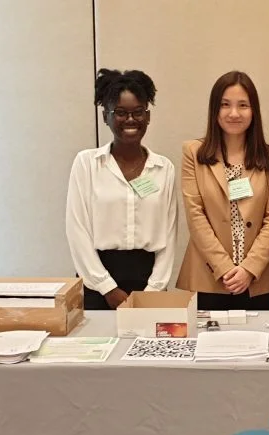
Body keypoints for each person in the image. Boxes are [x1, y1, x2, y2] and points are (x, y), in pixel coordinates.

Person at [66, 68, 177, 310]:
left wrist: (153, 291)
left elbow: (168, 235)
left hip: (149, 282)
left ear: (147, 117)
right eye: (120, 112)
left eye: (138, 112)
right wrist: (107, 287)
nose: (130, 120)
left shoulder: (163, 168)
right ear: (105, 116)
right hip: (97, 282)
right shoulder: (87, 164)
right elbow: (78, 232)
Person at [176, 71, 269, 310]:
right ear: (214, 109)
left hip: (257, 279)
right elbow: (195, 216)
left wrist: (249, 269)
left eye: (243, 105)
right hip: (208, 276)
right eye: (225, 105)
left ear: (253, 110)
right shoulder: (194, 153)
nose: (234, 113)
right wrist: (224, 267)